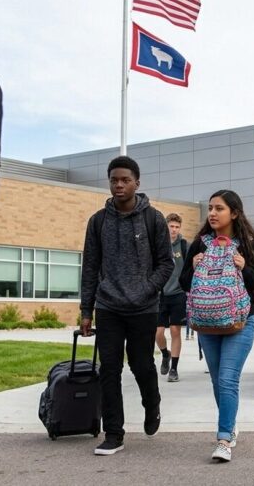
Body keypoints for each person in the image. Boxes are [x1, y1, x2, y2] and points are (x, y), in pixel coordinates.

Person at [79, 156, 175, 456]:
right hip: (108, 307)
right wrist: (86, 310)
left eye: (124, 180)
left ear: (136, 182)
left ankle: (152, 404)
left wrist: (146, 289)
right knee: (109, 369)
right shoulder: (98, 221)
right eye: (113, 180)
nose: (118, 185)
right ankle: (114, 433)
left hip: (143, 308)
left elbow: (166, 264)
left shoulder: (153, 219)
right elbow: (90, 267)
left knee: (142, 366)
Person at [180, 190, 254, 463]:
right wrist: (193, 267)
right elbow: (184, 284)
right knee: (217, 380)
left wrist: (245, 268)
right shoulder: (199, 245)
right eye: (210, 208)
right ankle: (230, 423)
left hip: (240, 322)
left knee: (227, 378)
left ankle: (223, 439)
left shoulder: (251, 246)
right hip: (207, 324)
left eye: (218, 208)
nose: (211, 213)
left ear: (234, 213)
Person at [157, 213, 189, 383]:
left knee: (176, 330)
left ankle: (174, 369)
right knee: (158, 333)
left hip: (178, 294)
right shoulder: (158, 245)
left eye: (177, 227)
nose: (174, 230)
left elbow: (192, 266)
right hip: (160, 295)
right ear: (166, 226)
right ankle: (165, 354)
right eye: (171, 226)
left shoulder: (184, 245)